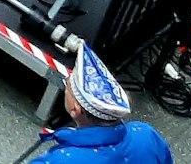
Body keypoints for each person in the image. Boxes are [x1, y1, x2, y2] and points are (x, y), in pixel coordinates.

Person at [30, 45, 175, 163]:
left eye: (68, 86)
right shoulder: (146, 135)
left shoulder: (60, 160)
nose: (67, 82)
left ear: (75, 110)